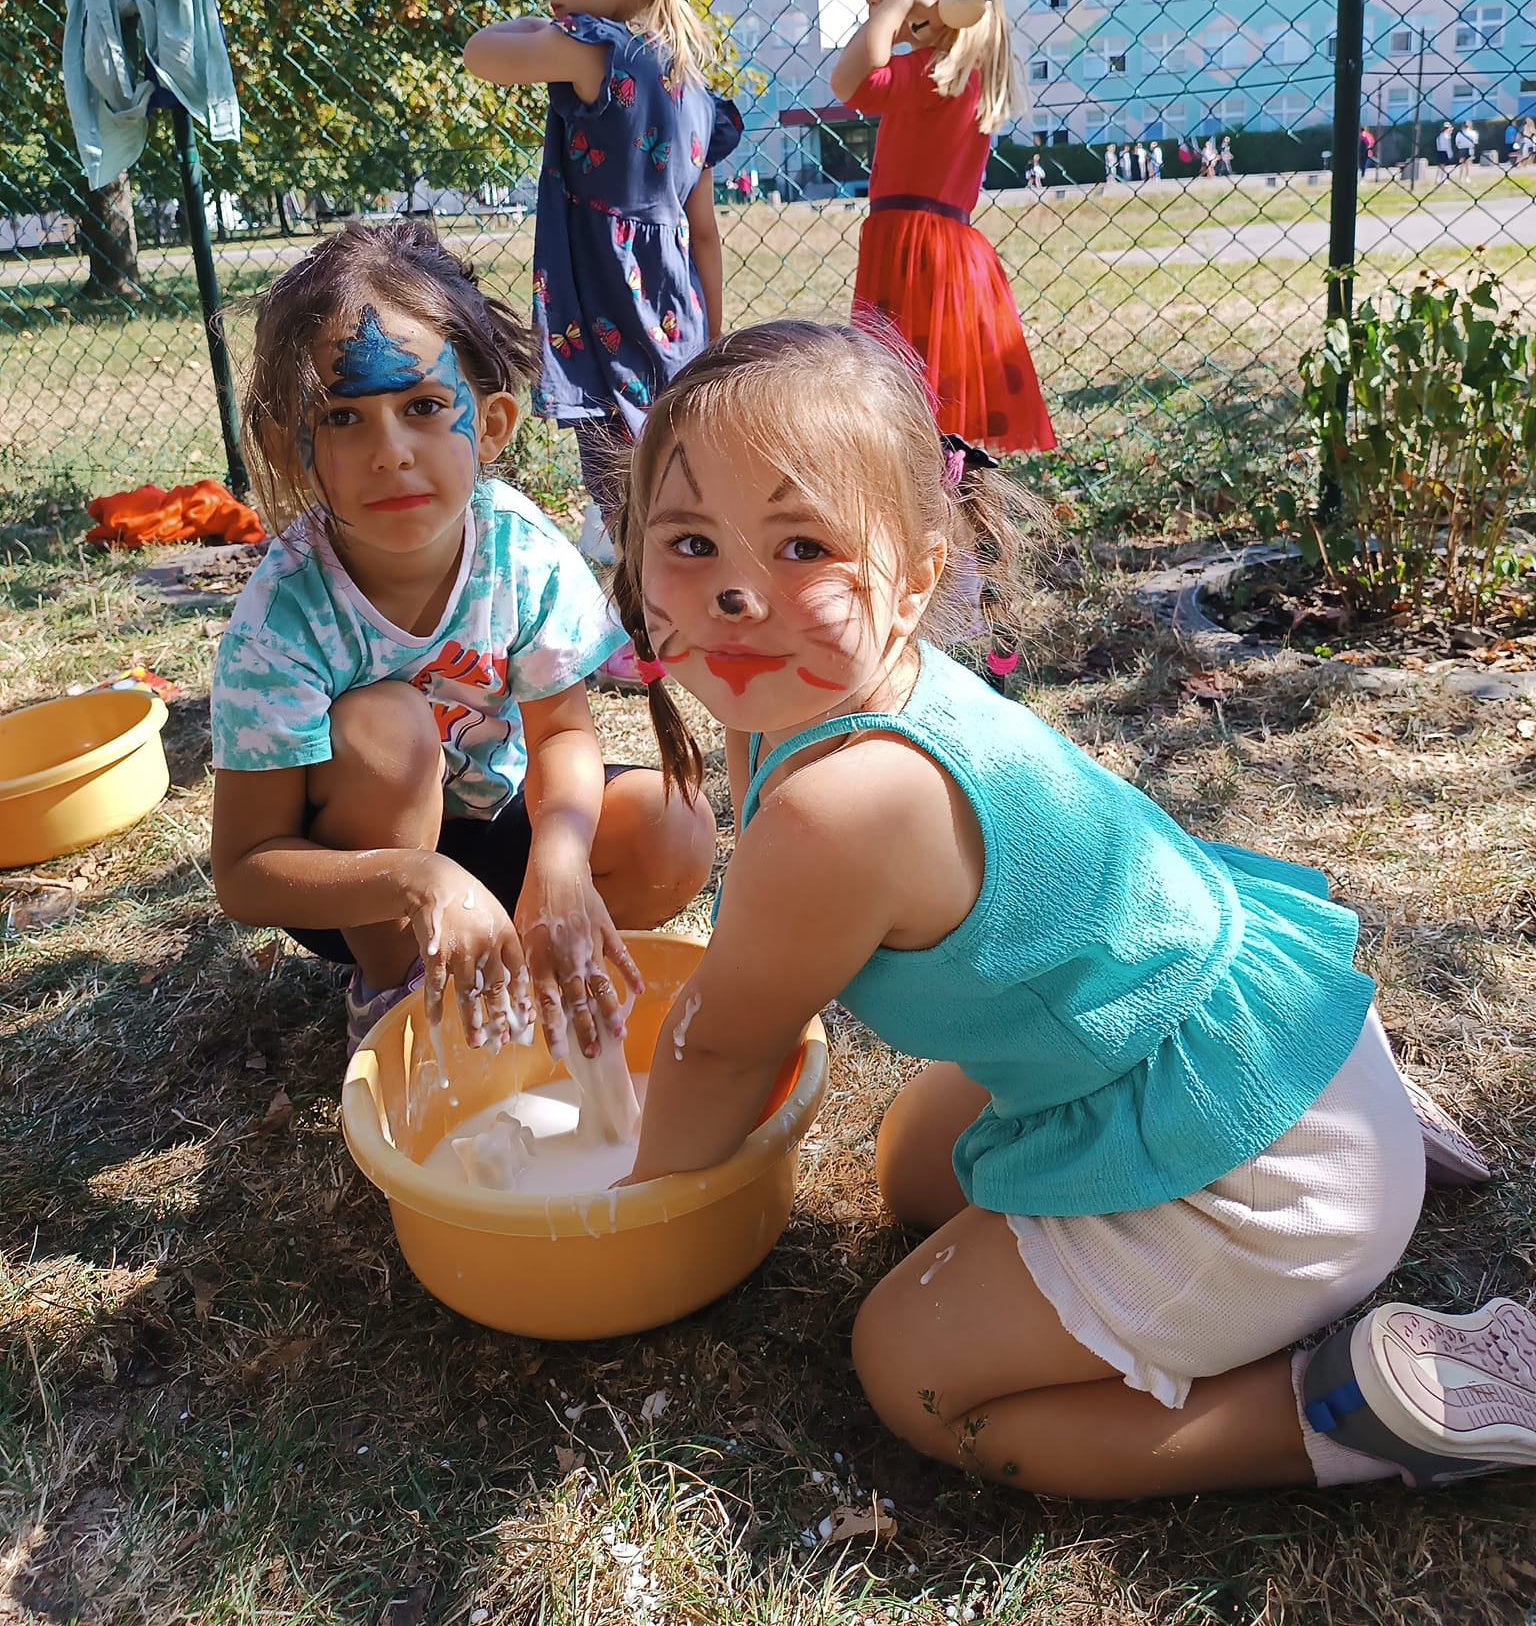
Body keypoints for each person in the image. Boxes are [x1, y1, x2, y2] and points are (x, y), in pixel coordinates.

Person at [609, 317, 1528, 1503]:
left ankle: (1359, 1406)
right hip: (1259, 1049)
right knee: (916, 1173)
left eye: (801, 544)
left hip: (1269, 1178)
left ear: (920, 574)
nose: (736, 591)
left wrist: (625, 1216)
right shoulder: (824, 688)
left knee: (915, 1376)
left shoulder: (838, 806)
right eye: (690, 540)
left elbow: (729, 1046)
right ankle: (1367, 1117)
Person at [208, 220, 715, 1057]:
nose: (391, 453)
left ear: (490, 425)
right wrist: (412, 880)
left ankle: (528, 948)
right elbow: (248, 869)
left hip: (498, 824)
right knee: (392, 729)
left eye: (423, 406)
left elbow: (561, 731)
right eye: (343, 418)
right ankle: (397, 991)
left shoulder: (517, 547)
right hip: (360, 883)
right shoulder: (282, 620)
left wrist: (557, 860)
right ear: (287, 450)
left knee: (677, 825)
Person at [462, 0, 743, 673]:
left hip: (612, 309)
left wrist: (548, 25)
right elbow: (705, 230)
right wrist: (714, 337)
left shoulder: (596, 48)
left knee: (622, 479)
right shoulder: (688, 82)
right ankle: (682, 608)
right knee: (667, 465)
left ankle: (647, 635)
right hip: (675, 312)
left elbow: (482, 52)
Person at [828, 0, 1054, 453]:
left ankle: (935, 508)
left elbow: (849, 81)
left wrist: (898, 4)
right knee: (929, 401)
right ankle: (952, 506)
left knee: (913, 401)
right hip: (931, 245)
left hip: (916, 253)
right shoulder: (951, 70)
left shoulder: (934, 71)